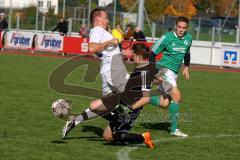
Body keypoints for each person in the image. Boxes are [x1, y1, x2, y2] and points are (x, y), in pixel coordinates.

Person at [62, 43, 158, 149]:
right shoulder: (142, 67)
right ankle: (75, 121)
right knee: (94, 106)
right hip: (121, 98)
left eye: (134, 55)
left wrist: (131, 107)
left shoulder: (144, 72)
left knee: (112, 136)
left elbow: (146, 98)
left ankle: (144, 137)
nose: (132, 57)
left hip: (129, 107)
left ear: (139, 57)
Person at [132, 16, 192, 137]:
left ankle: (145, 97)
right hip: (164, 70)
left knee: (164, 103)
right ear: (175, 26)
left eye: (183, 28)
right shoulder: (166, 38)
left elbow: (187, 53)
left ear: (187, 28)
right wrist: (154, 71)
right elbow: (152, 54)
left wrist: (186, 67)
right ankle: (174, 130)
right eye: (179, 27)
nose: (181, 30)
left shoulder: (188, 38)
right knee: (177, 96)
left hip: (174, 73)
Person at [88, 8, 129, 96]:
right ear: (98, 19)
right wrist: (110, 41)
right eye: (106, 18)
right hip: (113, 69)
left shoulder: (101, 32)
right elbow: (91, 48)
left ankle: (84, 111)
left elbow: (106, 52)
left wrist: (122, 55)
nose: (108, 20)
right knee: (134, 95)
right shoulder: (98, 29)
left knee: (107, 104)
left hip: (111, 68)